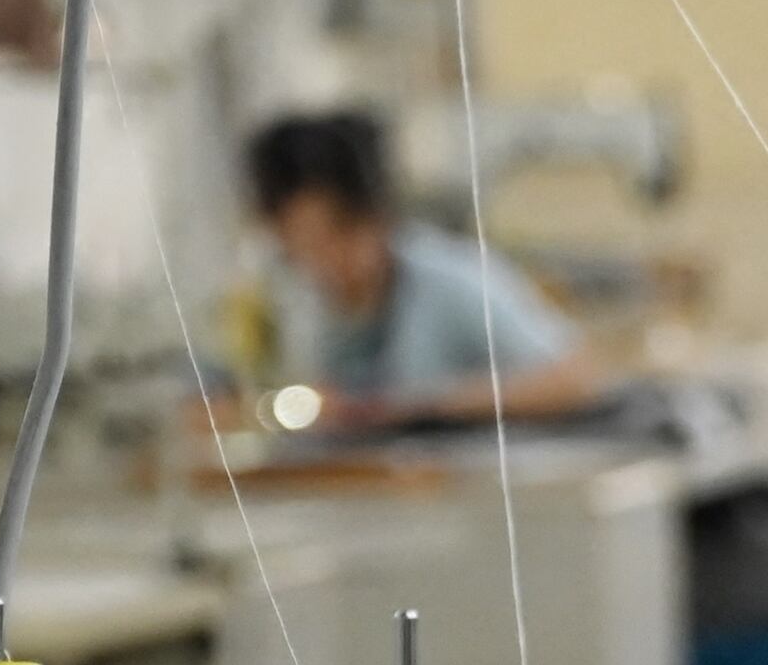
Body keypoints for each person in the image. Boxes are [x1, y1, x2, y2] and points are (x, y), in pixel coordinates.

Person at [244, 108, 603, 430]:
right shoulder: (297, 305)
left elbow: (574, 378)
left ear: (378, 214)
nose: (327, 258)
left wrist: (420, 407)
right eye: (306, 243)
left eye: (342, 232)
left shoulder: (452, 280)